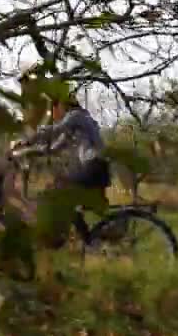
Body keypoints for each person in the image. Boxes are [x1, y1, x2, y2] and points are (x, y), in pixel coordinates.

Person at [13, 89, 111, 247]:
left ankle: (88, 241)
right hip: (96, 168)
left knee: (61, 192)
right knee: (62, 191)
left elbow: (54, 130)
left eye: (53, 109)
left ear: (61, 105)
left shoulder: (76, 116)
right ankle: (83, 236)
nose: (52, 114)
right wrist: (27, 151)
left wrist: (26, 140)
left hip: (94, 166)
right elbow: (53, 148)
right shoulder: (75, 125)